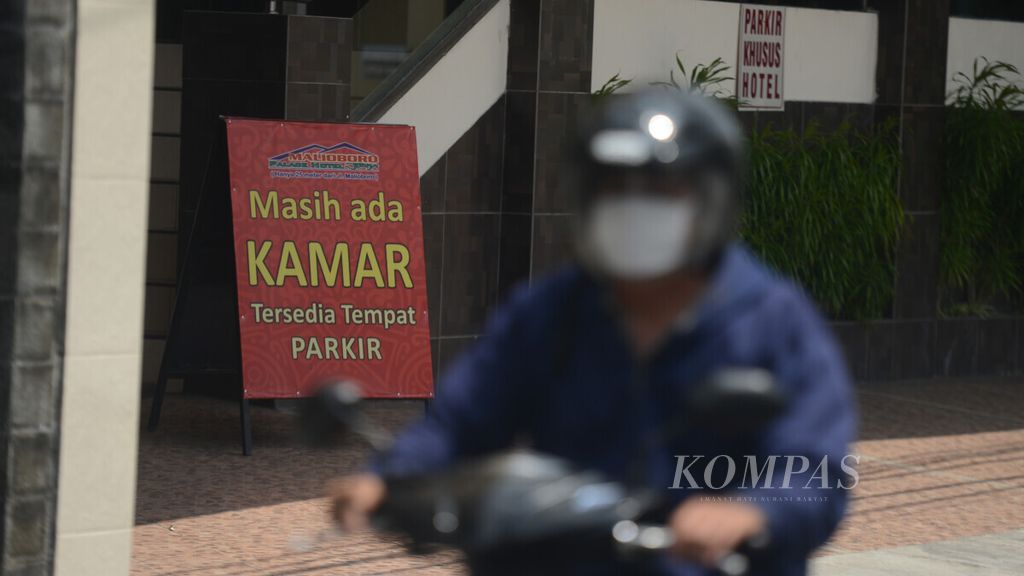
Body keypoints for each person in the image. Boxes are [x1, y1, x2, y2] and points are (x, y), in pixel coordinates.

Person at [329, 89, 857, 575]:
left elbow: (815, 468)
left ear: (709, 201)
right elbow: (462, 419)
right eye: (614, 187)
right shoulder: (551, 311)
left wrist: (751, 510)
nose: (632, 204)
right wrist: (392, 477)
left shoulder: (771, 320)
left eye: (657, 189)